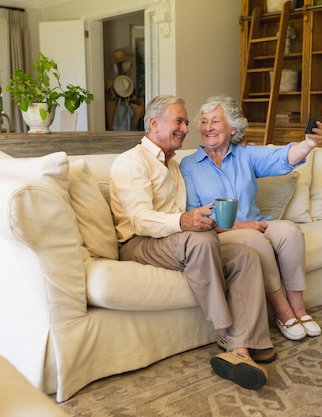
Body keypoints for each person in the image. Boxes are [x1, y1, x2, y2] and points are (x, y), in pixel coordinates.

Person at [109, 95, 274, 391]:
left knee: (246, 254)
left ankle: (247, 345)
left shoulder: (174, 164)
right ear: (154, 123)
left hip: (174, 240)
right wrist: (184, 222)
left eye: (186, 122)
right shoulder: (131, 162)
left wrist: (201, 217)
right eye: (179, 121)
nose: (186, 128)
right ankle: (225, 330)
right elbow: (139, 219)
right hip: (139, 244)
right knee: (200, 241)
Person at [179, 95, 322, 342]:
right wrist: (242, 226)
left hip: (256, 223)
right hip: (220, 233)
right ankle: (282, 310)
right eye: (204, 122)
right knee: (255, 239)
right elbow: (195, 212)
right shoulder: (189, 165)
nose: (207, 128)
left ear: (232, 128)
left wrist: (308, 144)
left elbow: (281, 157)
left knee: (290, 231)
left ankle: (299, 308)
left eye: (215, 121)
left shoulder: (245, 155)